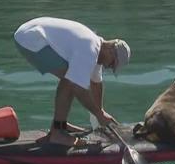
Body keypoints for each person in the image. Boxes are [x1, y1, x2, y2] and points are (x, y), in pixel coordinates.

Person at [13, 17, 131, 147]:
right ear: (110, 49)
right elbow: (78, 88)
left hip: (30, 33)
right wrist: (98, 114)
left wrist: (100, 111)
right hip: (31, 38)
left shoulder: (95, 50)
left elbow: (96, 83)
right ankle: (57, 133)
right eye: (112, 63)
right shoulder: (90, 49)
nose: (109, 67)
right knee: (71, 82)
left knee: (70, 78)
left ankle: (59, 126)